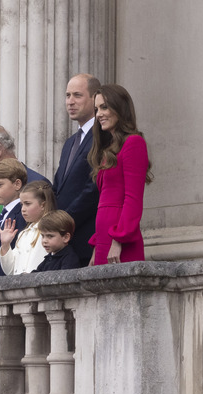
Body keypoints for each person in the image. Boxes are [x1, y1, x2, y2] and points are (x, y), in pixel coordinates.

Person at [88, 84, 152, 265]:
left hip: (120, 241)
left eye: (104, 107)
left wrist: (119, 239)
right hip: (104, 240)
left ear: (120, 108)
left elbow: (133, 199)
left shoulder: (134, 143)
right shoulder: (109, 150)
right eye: (96, 109)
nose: (98, 114)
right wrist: (96, 246)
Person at [53, 74, 101, 267]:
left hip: (86, 240)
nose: (70, 102)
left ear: (95, 98)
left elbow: (93, 188)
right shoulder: (70, 142)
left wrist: (63, 221)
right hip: (65, 243)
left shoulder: (102, 136)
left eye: (77, 95)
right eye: (67, 95)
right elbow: (58, 186)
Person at [0, 180, 57, 275]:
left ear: (43, 205)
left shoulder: (52, 230)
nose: (23, 209)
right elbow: (10, 270)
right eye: (22, 204)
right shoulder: (23, 234)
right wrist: (5, 245)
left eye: (28, 204)